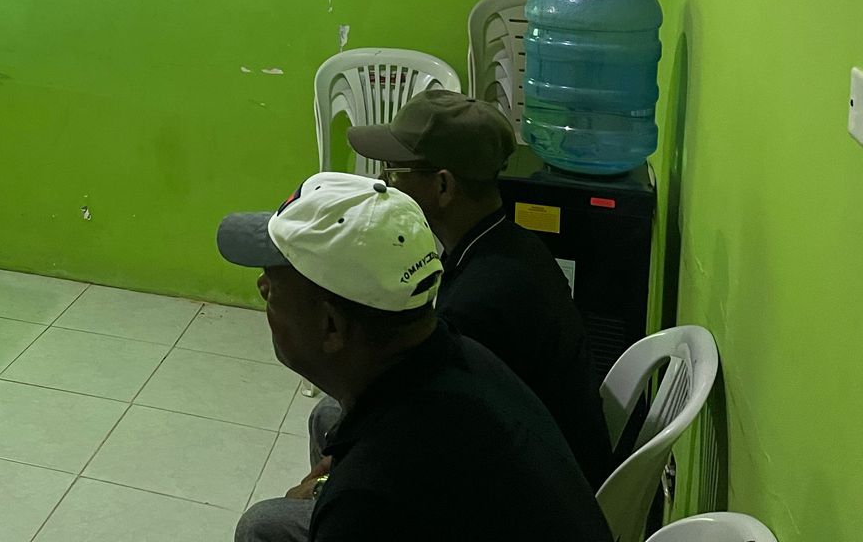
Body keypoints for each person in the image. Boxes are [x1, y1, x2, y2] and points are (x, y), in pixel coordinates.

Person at [236, 91, 613, 542]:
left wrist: (327, 489)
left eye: (394, 171)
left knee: (264, 525)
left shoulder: (480, 303)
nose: (383, 182)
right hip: (529, 485)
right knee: (329, 417)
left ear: (443, 186)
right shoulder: (490, 272)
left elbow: (402, 473)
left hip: (525, 492)